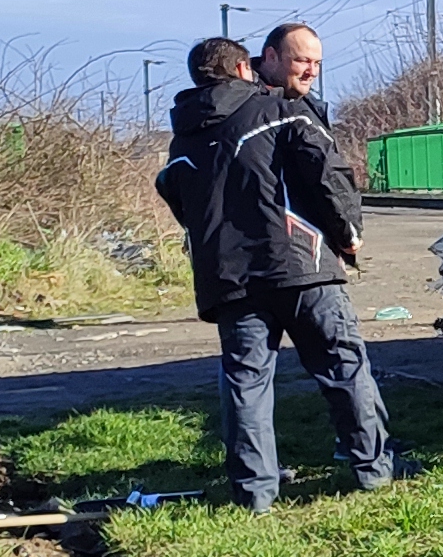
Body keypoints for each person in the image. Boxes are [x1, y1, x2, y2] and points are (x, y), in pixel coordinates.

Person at [158, 32, 398, 510]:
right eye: (302, 60)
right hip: (302, 264)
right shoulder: (279, 109)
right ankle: (374, 470)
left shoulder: (182, 137)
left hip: (230, 279)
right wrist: (347, 231)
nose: (310, 70)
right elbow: (326, 171)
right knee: (344, 367)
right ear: (247, 67)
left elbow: (175, 195)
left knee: (246, 383)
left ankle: (254, 492)